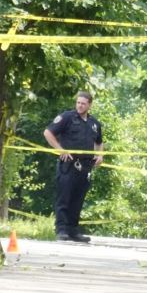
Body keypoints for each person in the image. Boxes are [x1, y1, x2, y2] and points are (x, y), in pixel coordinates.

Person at [44, 91, 103, 243]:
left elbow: (99, 142)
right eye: (78, 102)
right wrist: (60, 149)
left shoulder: (94, 124)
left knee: (78, 199)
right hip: (69, 164)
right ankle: (61, 230)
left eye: (83, 103)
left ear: (90, 105)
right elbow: (48, 133)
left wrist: (100, 155)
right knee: (64, 197)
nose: (80, 106)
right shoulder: (67, 117)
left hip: (85, 167)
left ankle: (73, 231)